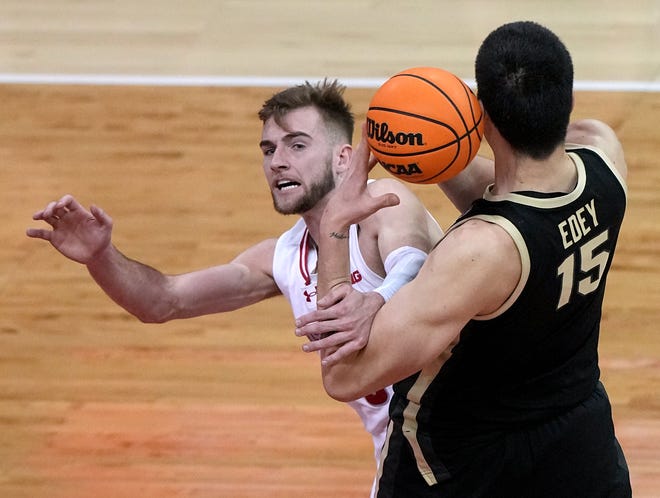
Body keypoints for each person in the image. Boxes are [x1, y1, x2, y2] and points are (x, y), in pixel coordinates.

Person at [26, 79, 443, 495]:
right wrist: (101, 256)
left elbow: (416, 263)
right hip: (402, 454)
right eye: (268, 150)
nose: (277, 161)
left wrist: (379, 300)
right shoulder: (281, 257)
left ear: (344, 158)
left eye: (296, 145)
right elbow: (162, 301)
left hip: (465, 431)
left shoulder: (383, 200)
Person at [296, 22, 632, 497]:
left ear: (483, 114)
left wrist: (334, 225)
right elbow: (516, 188)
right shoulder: (604, 157)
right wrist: (433, 148)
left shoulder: (482, 251)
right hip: (577, 440)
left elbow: (346, 375)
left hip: (466, 460)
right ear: (568, 99)